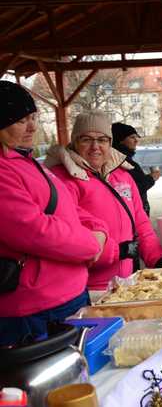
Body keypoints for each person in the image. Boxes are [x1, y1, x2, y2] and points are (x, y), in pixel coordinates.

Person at [0, 81, 107, 346]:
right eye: (21, 120)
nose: (33, 127)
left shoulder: (25, 161)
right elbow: (36, 230)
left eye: (33, 117)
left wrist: (99, 227)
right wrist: (91, 243)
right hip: (36, 309)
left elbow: (67, 208)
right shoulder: (4, 170)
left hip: (67, 295)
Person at [45, 111, 162, 293]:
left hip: (126, 283)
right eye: (86, 139)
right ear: (74, 142)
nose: (95, 146)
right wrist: (117, 251)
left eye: (102, 140)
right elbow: (68, 236)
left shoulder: (122, 175)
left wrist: (157, 258)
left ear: (110, 143)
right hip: (88, 288)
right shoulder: (62, 179)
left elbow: (140, 222)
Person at [111, 122, 159, 216]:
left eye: (136, 137)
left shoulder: (124, 159)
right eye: (132, 137)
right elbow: (130, 190)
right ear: (120, 140)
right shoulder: (120, 162)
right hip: (132, 214)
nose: (136, 140)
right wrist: (151, 178)